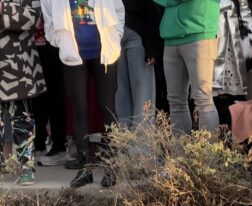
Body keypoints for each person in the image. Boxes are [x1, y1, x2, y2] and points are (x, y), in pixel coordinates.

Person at [42, 0, 124, 188]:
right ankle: (85, 168)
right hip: (73, 55)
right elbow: (48, 17)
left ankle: (112, 167)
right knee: (79, 109)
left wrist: (115, 37)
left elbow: (119, 12)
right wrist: (61, 42)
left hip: (105, 54)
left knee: (108, 108)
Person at [154, 0, 220, 135]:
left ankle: (209, 155)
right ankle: (180, 155)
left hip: (200, 32)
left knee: (203, 99)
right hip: (171, 36)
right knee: (175, 101)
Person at [0, 0, 45, 186]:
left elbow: (35, 17)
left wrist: (4, 9)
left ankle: (26, 167)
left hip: (17, 64)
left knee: (22, 117)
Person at [212, 0, 252, 125]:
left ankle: (235, 135)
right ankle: (210, 137)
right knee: (210, 91)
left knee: (234, 92)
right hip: (209, 39)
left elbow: (245, 11)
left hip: (233, 41)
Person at [116, 0, 163, 129]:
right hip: (113, 34)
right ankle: (123, 143)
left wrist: (153, 46)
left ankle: (142, 146)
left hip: (138, 32)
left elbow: (154, 6)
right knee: (120, 92)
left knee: (142, 91)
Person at [32, 15, 69, 166]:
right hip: (31, 43)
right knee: (36, 96)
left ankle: (59, 146)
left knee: (54, 95)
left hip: (53, 42)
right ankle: (38, 144)